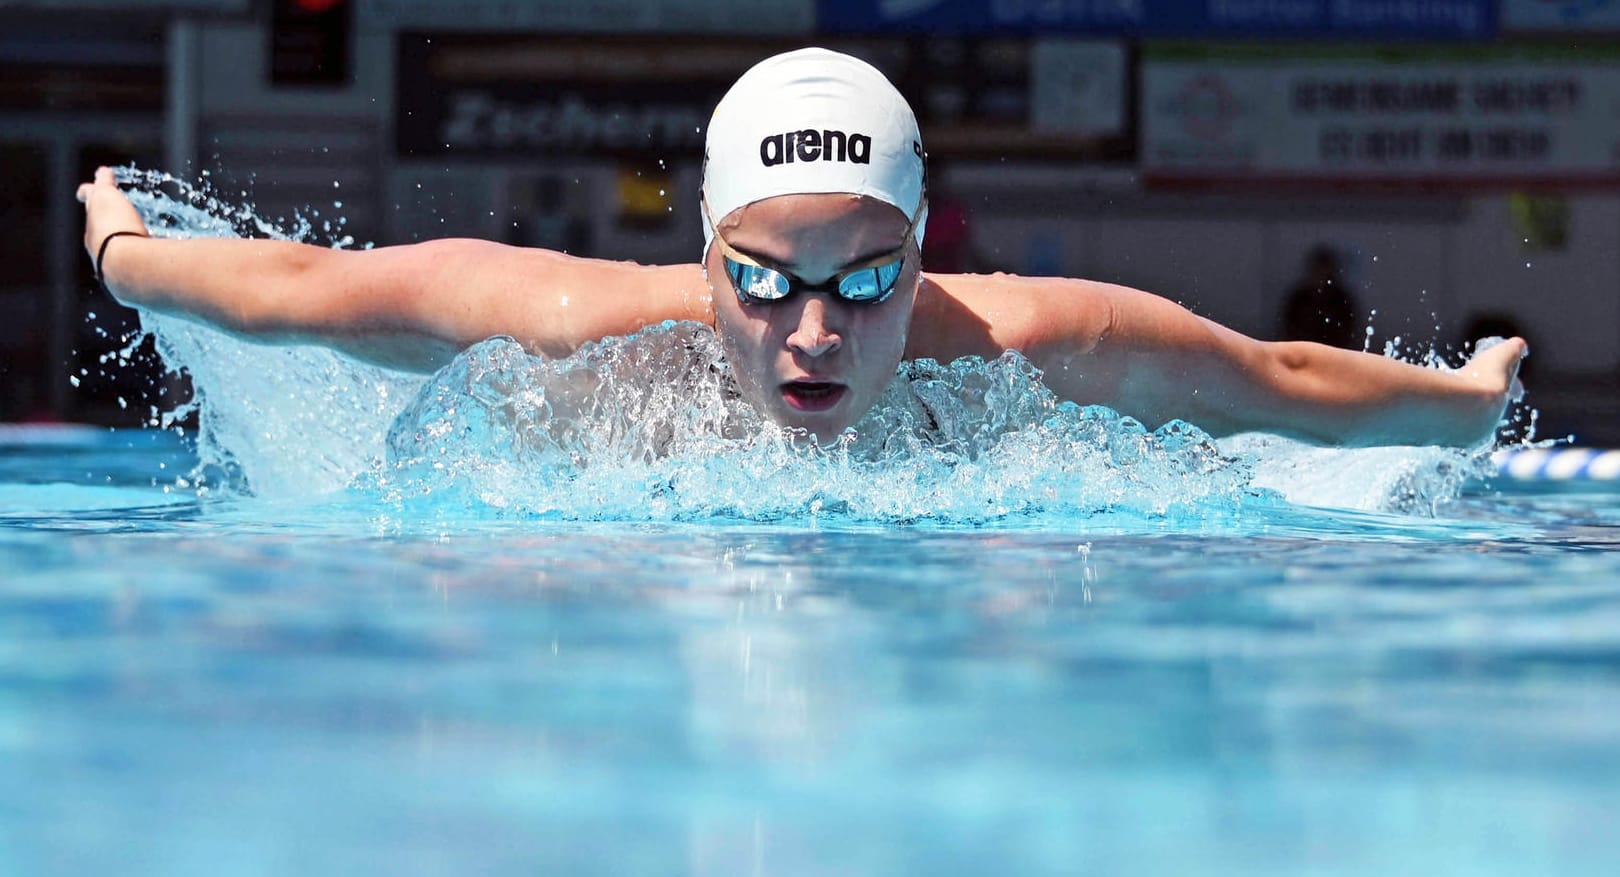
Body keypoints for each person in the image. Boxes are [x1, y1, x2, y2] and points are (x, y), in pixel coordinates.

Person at [77, 48, 1524, 449]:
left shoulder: (1026, 341)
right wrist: (125, 253)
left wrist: (1469, 404)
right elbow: (300, 292)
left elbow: (1267, 377)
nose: (815, 333)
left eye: (867, 279)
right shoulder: (579, 321)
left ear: (925, 253)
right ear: (705, 255)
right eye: (764, 280)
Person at [1280, 245, 1360, 352]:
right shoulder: (1299, 299)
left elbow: (1349, 331)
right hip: (1303, 351)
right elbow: (1289, 329)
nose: (1322, 274)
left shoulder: (1340, 299)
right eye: (1319, 269)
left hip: (1334, 352)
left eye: (1324, 270)